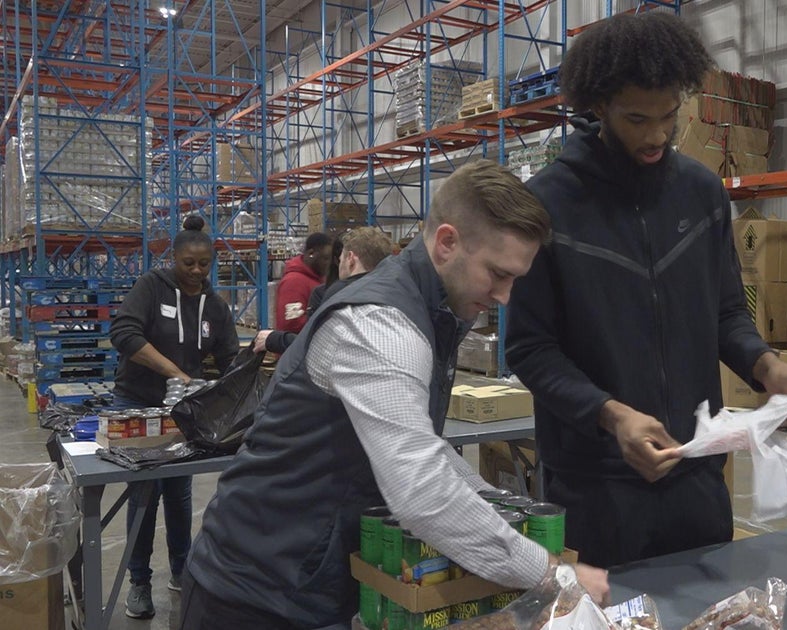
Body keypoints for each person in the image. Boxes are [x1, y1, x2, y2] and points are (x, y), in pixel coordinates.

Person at [181, 160, 609, 629]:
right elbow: (421, 491)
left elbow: (428, 452)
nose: (506, 297)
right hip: (255, 594)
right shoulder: (381, 325)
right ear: (447, 243)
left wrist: (496, 504)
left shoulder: (431, 310)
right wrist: (552, 574)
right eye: (498, 274)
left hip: (307, 585)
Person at [504, 11, 787, 569]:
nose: (655, 135)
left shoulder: (701, 194)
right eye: (636, 118)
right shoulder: (550, 206)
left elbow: (724, 312)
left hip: (697, 477)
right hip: (593, 488)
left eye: (669, 116)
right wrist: (611, 415)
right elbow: (529, 348)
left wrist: (766, 366)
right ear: (598, 106)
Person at [109, 214, 240, 619]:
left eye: (204, 265)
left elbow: (230, 358)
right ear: (174, 259)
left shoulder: (214, 307)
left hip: (183, 413)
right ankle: (139, 582)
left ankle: (182, 571)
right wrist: (178, 373)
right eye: (189, 264)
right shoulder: (151, 287)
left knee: (179, 495)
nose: (197, 272)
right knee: (144, 495)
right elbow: (124, 333)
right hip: (139, 403)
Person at [253, 227, 395, 354]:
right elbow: (291, 323)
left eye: (340, 259)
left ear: (351, 259)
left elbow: (318, 343)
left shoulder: (341, 294)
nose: (333, 264)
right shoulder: (395, 294)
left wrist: (275, 340)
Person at [274, 231, 332, 334]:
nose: (328, 264)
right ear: (311, 254)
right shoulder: (294, 282)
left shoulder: (317, 279)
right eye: (325, 258)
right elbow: (291, 324)